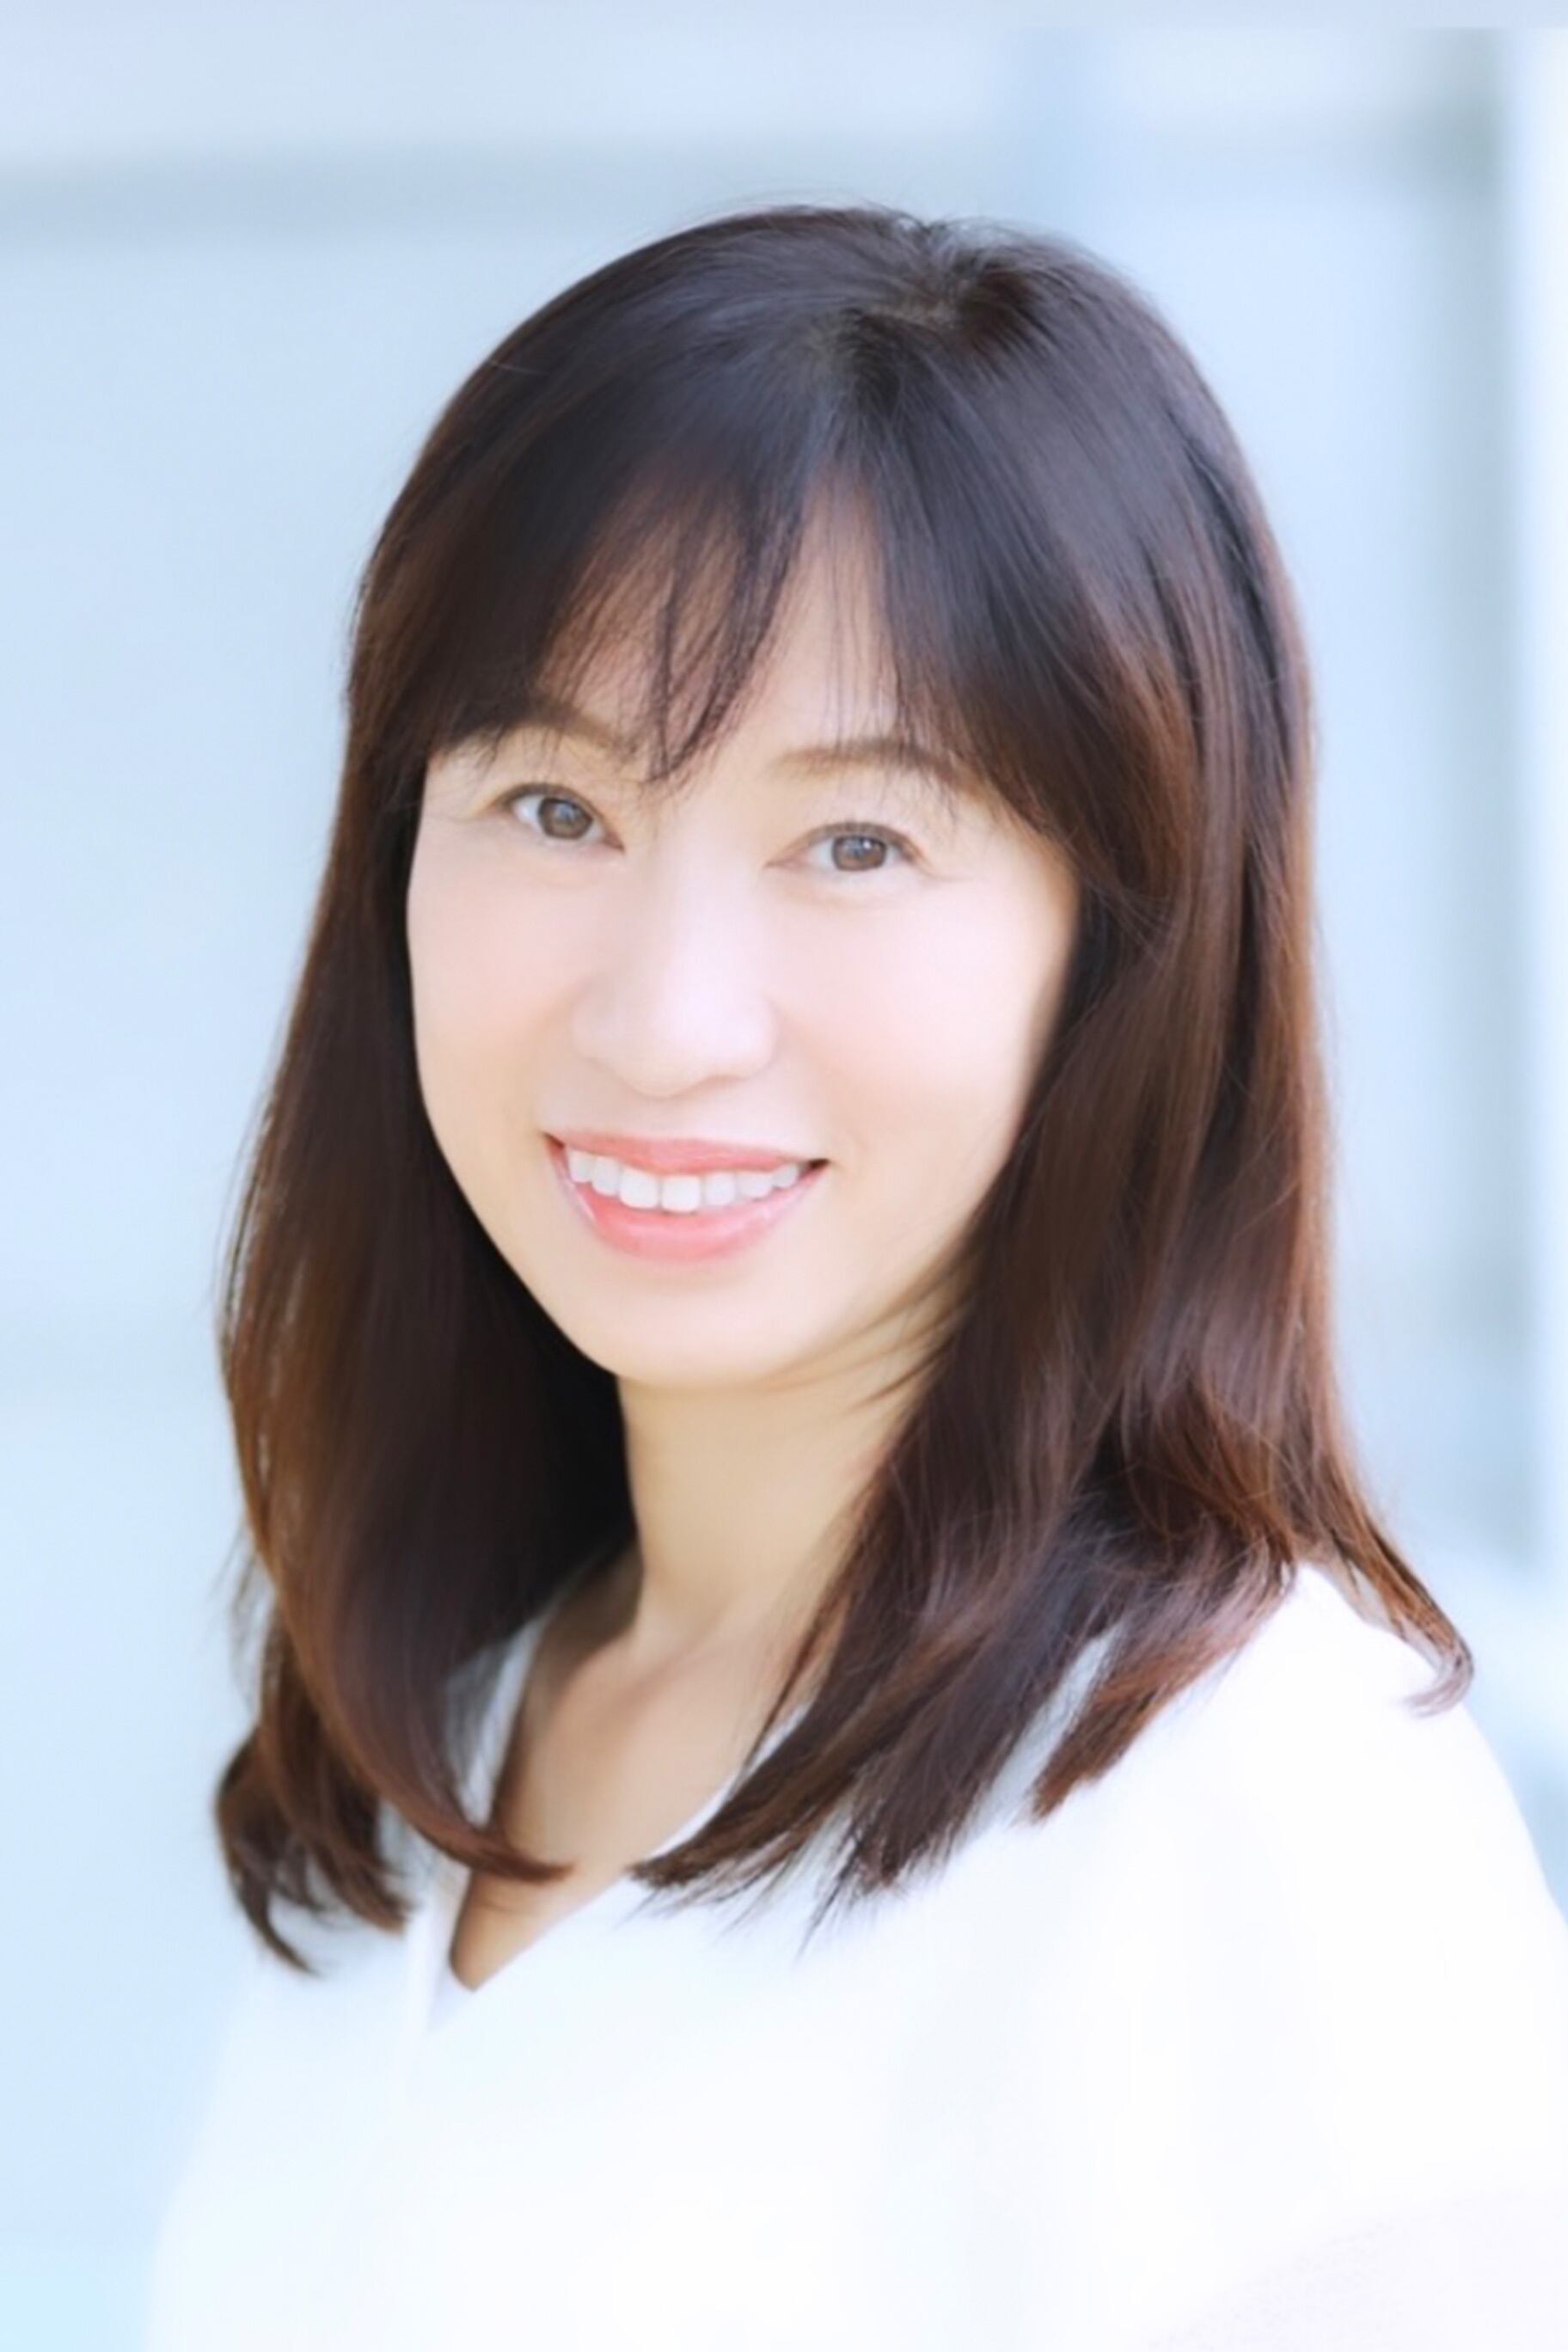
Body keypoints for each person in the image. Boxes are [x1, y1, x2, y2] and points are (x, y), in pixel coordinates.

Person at [143, 201, 1568, 2349]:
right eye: (555, 808)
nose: (665, 1022)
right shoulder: (422, 1744)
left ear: (1118, 953)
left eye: (859, 844)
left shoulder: (1248, 1806)